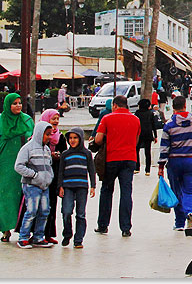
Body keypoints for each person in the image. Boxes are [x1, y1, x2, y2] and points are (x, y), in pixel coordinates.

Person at [92, 95, 140, 237]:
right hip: (129, 158)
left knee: (107, 190)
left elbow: (98, 139)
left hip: (111, 158)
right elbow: (136, 141)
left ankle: (103, 225)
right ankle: (125, 227)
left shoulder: (107, 118)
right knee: (126, 192)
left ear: (114, 105)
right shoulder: (135, 120)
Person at [157, 95, 192, 231]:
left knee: (176, 191)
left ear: (173, 108)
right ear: (185, 105)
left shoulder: (169, 125)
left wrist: (161, 165)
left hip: (174, 161)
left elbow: (164, 147)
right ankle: (191, 213)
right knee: (191, 191)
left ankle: (179, 223)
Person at [0, 94, 34, 243]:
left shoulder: (27, 121)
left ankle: (25, 230)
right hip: (3, 166)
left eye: (20, 103)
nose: (18, 106)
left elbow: (35, 141)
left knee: (24, 197)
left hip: (24, 166)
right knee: (4, 198)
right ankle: (5, 230)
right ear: (7, 105)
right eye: (14, 103)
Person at [13, 121, 56, 248]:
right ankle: (23, 237)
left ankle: (38, 236)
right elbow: (18, 166)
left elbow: (49, 166)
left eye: (50, 134)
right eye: (46, 134)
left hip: (44, 186)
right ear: (39, 133)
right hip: (31, 185)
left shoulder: (47, 149)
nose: (48, 137)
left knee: (44, 211)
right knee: (31, 211)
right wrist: (34, 175)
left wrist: (49, 178)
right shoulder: (27, 148)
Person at [57, 127, 96, 248]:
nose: (72, 140)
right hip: (68, 186)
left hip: (81, 187)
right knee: (66, 211)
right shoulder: (65, 154)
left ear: (80, 138)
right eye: (70, 138)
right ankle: (67, 233)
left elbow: (91, 170)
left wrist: (93, 186)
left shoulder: (86, 153)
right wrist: (60, 186)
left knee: (80, 214)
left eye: (75, 138)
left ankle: (78, 239)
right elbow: (61, 172)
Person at [39, 109, 67, 244]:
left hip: (54, 176)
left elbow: (64, 154)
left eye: (57, 118)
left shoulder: (60, 137)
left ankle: (48, 234)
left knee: (51, 205)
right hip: (38, 177)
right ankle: (36, 234)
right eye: (53, 118)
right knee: (38, 206)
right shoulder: (38, 137)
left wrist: (58, 156)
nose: (56, 121)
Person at [135, 99, 158, 177]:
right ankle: (147, 170)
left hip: (139, 134)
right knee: (147, 152)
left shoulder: (137, 113)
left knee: (136, 150)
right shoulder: (150, 113)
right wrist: (155, 136)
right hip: (148, 134)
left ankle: (137, 167)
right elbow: (153, 125)